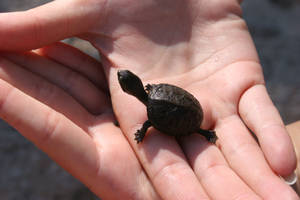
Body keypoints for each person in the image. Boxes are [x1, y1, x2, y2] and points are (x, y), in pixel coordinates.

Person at [0, 0, 298, 199]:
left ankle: (204, 132)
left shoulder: (151, 108)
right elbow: (165, 104)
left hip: (188, 115)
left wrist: (142, 133)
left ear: (134, 90)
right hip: (185, 104)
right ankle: (204, 131)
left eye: (124, 81)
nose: (122, 80)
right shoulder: (154, 92)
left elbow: (151, 124)